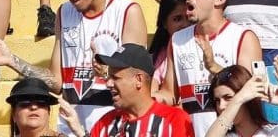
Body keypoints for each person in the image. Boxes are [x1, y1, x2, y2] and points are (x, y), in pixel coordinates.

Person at [0, 0, 147, 131]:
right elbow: (56, 83)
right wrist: (12, 61)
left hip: (112, 126)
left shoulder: (127, 11)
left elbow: (139, 83)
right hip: (68, 127)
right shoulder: (64, 12)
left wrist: (107, 73)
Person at [160, 0, 263, 137]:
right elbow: (169, 94)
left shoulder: (243, 38)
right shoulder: (177, 40)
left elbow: (251, 94)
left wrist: (214, 67)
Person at [58, 43, 195, 137]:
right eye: (108, 77)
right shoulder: (106, 122)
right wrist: (79, 130)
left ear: (139, 80)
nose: (108, 84)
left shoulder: (175, 120)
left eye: (115, 78)